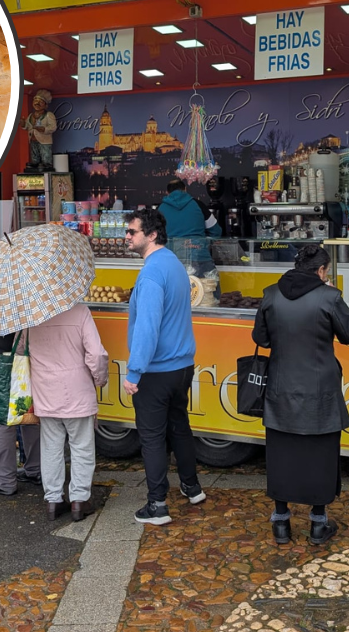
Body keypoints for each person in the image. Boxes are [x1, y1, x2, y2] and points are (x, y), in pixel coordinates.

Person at [253, 243, 349, 546]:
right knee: (320, 456)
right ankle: (317, 524)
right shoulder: (329, 297)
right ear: (322, 270)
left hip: (280, 388)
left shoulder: (271, 294)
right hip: (320, 391)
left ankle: (281, 523)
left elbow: (259, 337)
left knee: (281, 456)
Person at [122, 207, 206, 525]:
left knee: (153, 437)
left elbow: (148, 326)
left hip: (157, 371)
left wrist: (134, 372)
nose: (127, 237)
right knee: (179, 428)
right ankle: (192, 487)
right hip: (182, 366)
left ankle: (157, 505)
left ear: (152, 234)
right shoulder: (171, 262)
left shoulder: (152, 273)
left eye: (132, 232)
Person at [28, 303, 109, 522]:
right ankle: (79, 501)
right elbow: (97, 355)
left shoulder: (31, 312)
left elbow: (20, 352)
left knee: (51, 448)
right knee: (82, 447)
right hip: (78, 392)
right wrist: (99, 380)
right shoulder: (80, 311)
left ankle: (53, 500)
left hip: (45, 392)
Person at [0, 334, 43, 496]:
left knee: (1, 421)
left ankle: (4, 480)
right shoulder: (30, 308)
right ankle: (36, 469)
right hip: (31, 360)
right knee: (29, 415)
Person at [23, 89, 58, 171]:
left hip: (44, 141)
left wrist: (44, 129)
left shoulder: (49, 115)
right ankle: (35, 164)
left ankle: (47, 164)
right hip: (33, 139)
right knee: (34, 154)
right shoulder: (31, 115)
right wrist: (22, 123)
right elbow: (27, 126)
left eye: (40, 102)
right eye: (35, 101)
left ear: (46, 105)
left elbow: (53, 127)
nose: (37, 103)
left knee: (45, 154)